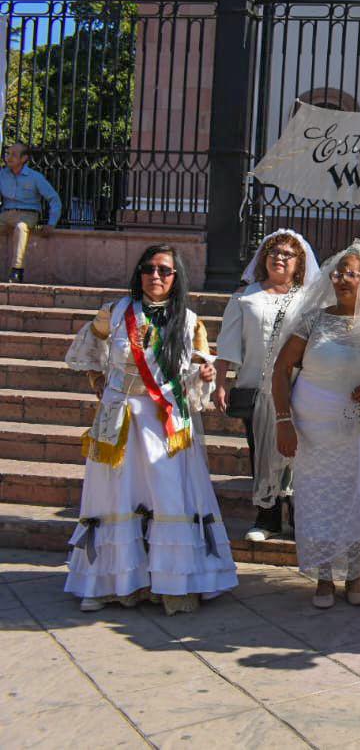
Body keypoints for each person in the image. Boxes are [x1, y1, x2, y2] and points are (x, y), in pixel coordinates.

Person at [63, 245, 237, 614]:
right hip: (120, 420)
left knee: (169, 495)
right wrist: (98, 381)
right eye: (148, 268)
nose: (155, 276)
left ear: (176, 277)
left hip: (165, 421)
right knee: (115, 496)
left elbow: (196, 371)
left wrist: (204, 375)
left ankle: (174, 584)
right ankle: (109, 583)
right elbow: (88, 348)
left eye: (164, 270)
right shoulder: (114, 312)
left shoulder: (190, 321)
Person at [272, 241, 360, 611]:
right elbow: (281, 369)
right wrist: (284, 421)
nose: (341, 279)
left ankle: (353, 574)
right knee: (320, 498)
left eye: (351, 273)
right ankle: (324, 575)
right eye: (338, 272)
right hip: (314, 431)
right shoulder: (314, 320)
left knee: (358, 497)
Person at [213, 229, 320, 542]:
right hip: (255, 387)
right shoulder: (245, 296)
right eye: (274, 252)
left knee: (297, 455)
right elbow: (229, 342)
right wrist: (220, 381)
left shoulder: (309, 299)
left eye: (288, 254)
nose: (280, 258)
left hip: (299, 388)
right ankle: (267, 517)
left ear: (299, 262)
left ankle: (300, 516)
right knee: (260, 451)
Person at [1, 142, 62, 284]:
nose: (9, 157)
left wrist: (51, 223)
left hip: (28, 214)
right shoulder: (2, 175)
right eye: (7, 154)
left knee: (21, 228)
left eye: (14, 155)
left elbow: (54, 199)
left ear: (24, 159)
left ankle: (17, 270)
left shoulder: (35, 177)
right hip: (6, 214)